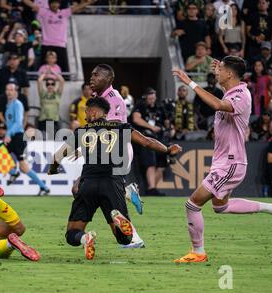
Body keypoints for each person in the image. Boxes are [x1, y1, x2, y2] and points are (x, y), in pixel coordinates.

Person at [172, 56, 272, 263]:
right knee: (220, 206)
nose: (216, 72)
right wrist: (224, 65)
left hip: (231, 163)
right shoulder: (233, 90)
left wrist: (190, 82)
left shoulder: (241, 95)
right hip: (225, 162)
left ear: (229, 74)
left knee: (192, 204)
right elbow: (226, 83)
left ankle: (198, 252)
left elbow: (218, 104)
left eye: (220, 70)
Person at [47, 97, 182, 260]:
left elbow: (57, 156)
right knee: (124, 239)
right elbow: (146, 142)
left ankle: (85, 238)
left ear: (94, 112)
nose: (85, 114)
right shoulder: (121, 127)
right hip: (113, 185)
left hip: (88, 184)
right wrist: (167, 149)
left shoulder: (82, 131)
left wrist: (53, 169)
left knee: (71, 234)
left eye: (86, 111)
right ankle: (119, 220)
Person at [87, 64, 146, 247]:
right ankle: (127, 192)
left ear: (108, 79)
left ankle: (133, 238)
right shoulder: (97, 98)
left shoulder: (115, 99)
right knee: (97, 193)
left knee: (106, 195)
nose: (92, 78)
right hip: (105, 154)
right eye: (92, 75)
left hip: (117, 152)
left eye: (96, 75)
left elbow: (112, 130)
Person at [3, 83, 51, 196]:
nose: (9, 92)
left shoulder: (17, 104)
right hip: (13, 136)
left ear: (16, 92)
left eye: (11, 89)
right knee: (21, 166)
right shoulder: (9, 105)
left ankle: (14, 173)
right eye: (7, 89)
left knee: (0, 154)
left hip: (17, 137)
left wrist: (8, 134)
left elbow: (18, 122)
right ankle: (43, 187)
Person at [24, 0, 96, 73]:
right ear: (49, 4)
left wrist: (89, 2)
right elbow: (32, 5)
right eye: (52, 3)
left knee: (62, 70)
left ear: (59, 4)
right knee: (43, 68)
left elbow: (77, 7)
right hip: (46, 44)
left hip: (60, 45)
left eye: (56, 3)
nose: (54, 5)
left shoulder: (64, 13)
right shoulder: (44, 12)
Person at [130, 89, 167, 197]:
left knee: (162, 162)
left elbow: (166, 121)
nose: (152, 99)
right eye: (150, 97)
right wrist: (151, 127)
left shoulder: (159, 108)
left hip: (159, 138)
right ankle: (151, 188)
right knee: (151, 162)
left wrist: (169, 128)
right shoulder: (140, 106)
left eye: (153, 97)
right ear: (146, 97)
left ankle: (152, 188)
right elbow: (136, 119)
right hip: (144, 139)